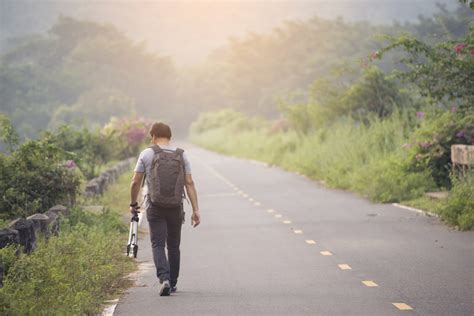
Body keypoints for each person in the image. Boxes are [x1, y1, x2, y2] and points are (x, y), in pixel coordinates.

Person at [129, 122, 200, 296]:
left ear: (152, 136)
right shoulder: (181, 155)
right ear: (170, 137)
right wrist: (196, 210)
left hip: (155, 205)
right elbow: (189, 182)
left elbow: (135, 182)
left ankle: (164, 278)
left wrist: (133, 204)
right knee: (174, 245)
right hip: (176, 206)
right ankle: (173, 283)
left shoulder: (147, 153)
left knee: (158, 243)